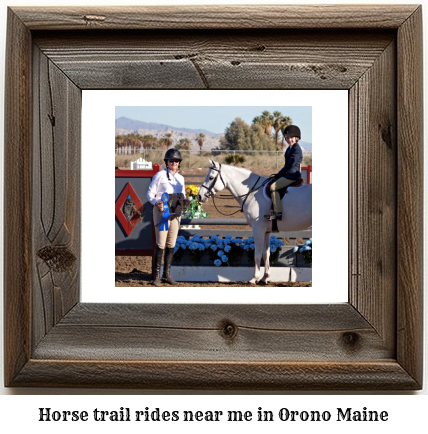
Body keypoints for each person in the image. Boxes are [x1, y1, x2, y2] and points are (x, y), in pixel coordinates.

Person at [147, 148, 189, 286]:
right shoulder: (159, 176)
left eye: (176, 161)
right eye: (171, 161)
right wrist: (156, 203)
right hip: (162, 213)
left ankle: (167, 275)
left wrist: (186, 201)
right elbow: (150, 193)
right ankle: (157, 277)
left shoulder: (181, 179)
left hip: (176, 214)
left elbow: (182, 195)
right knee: (160, 244)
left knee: (171, 244)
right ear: (167, 162)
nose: (174, 163)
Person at [265, 125, 303, 221]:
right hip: (288, 174)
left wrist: (280, 173)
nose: (289, 140)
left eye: (291, 138)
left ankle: (278, 213)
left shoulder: (296, 150)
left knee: (273, 187)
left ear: (296, 138)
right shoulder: (290, 148)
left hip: (292, 175)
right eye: (287, 138)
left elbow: (290, 165)